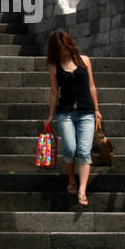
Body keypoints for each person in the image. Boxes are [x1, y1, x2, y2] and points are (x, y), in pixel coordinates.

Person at [46, 31, 101, 206]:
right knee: (70, 148)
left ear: (70, 45)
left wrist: (97, 109)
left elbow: (92, 86)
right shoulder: (54, 67)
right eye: (60, 50)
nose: (64, 52)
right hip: (66, 112)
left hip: (86, 112)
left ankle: (82, 190)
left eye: (65, 48)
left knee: (84, 151)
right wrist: (50, 115)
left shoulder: (84, 61)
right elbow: (54, 93)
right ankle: (71, 180)